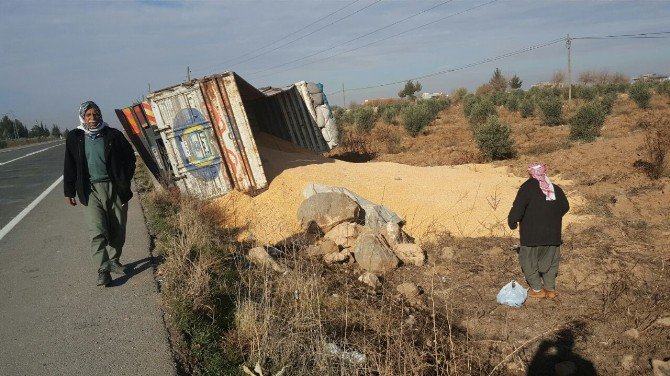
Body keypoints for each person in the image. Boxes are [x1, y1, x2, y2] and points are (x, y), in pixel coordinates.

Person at [64, 101, 136, 286]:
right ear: (82, 117)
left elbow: (130, 158)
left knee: (118, 228)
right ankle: (103, 270)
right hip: (91, 191)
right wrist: (69, 191)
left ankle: (114, 260)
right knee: (96, 231)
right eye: (88, 115)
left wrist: (124, 178)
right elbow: (70, 165)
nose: (92, 118)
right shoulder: (75, 137)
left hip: (114, 188)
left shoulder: (113, 135)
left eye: (95, 114)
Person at [508, 163, 569, 299]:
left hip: (531, 235)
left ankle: (537, 290)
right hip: (553, 235)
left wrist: (513, 222)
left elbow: (518, 207)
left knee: (528, 262)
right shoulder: (555, 189)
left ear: (530, 174)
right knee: (551, 263)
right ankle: (550, 290)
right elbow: (565, 207)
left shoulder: (527, 188)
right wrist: (551, 217)